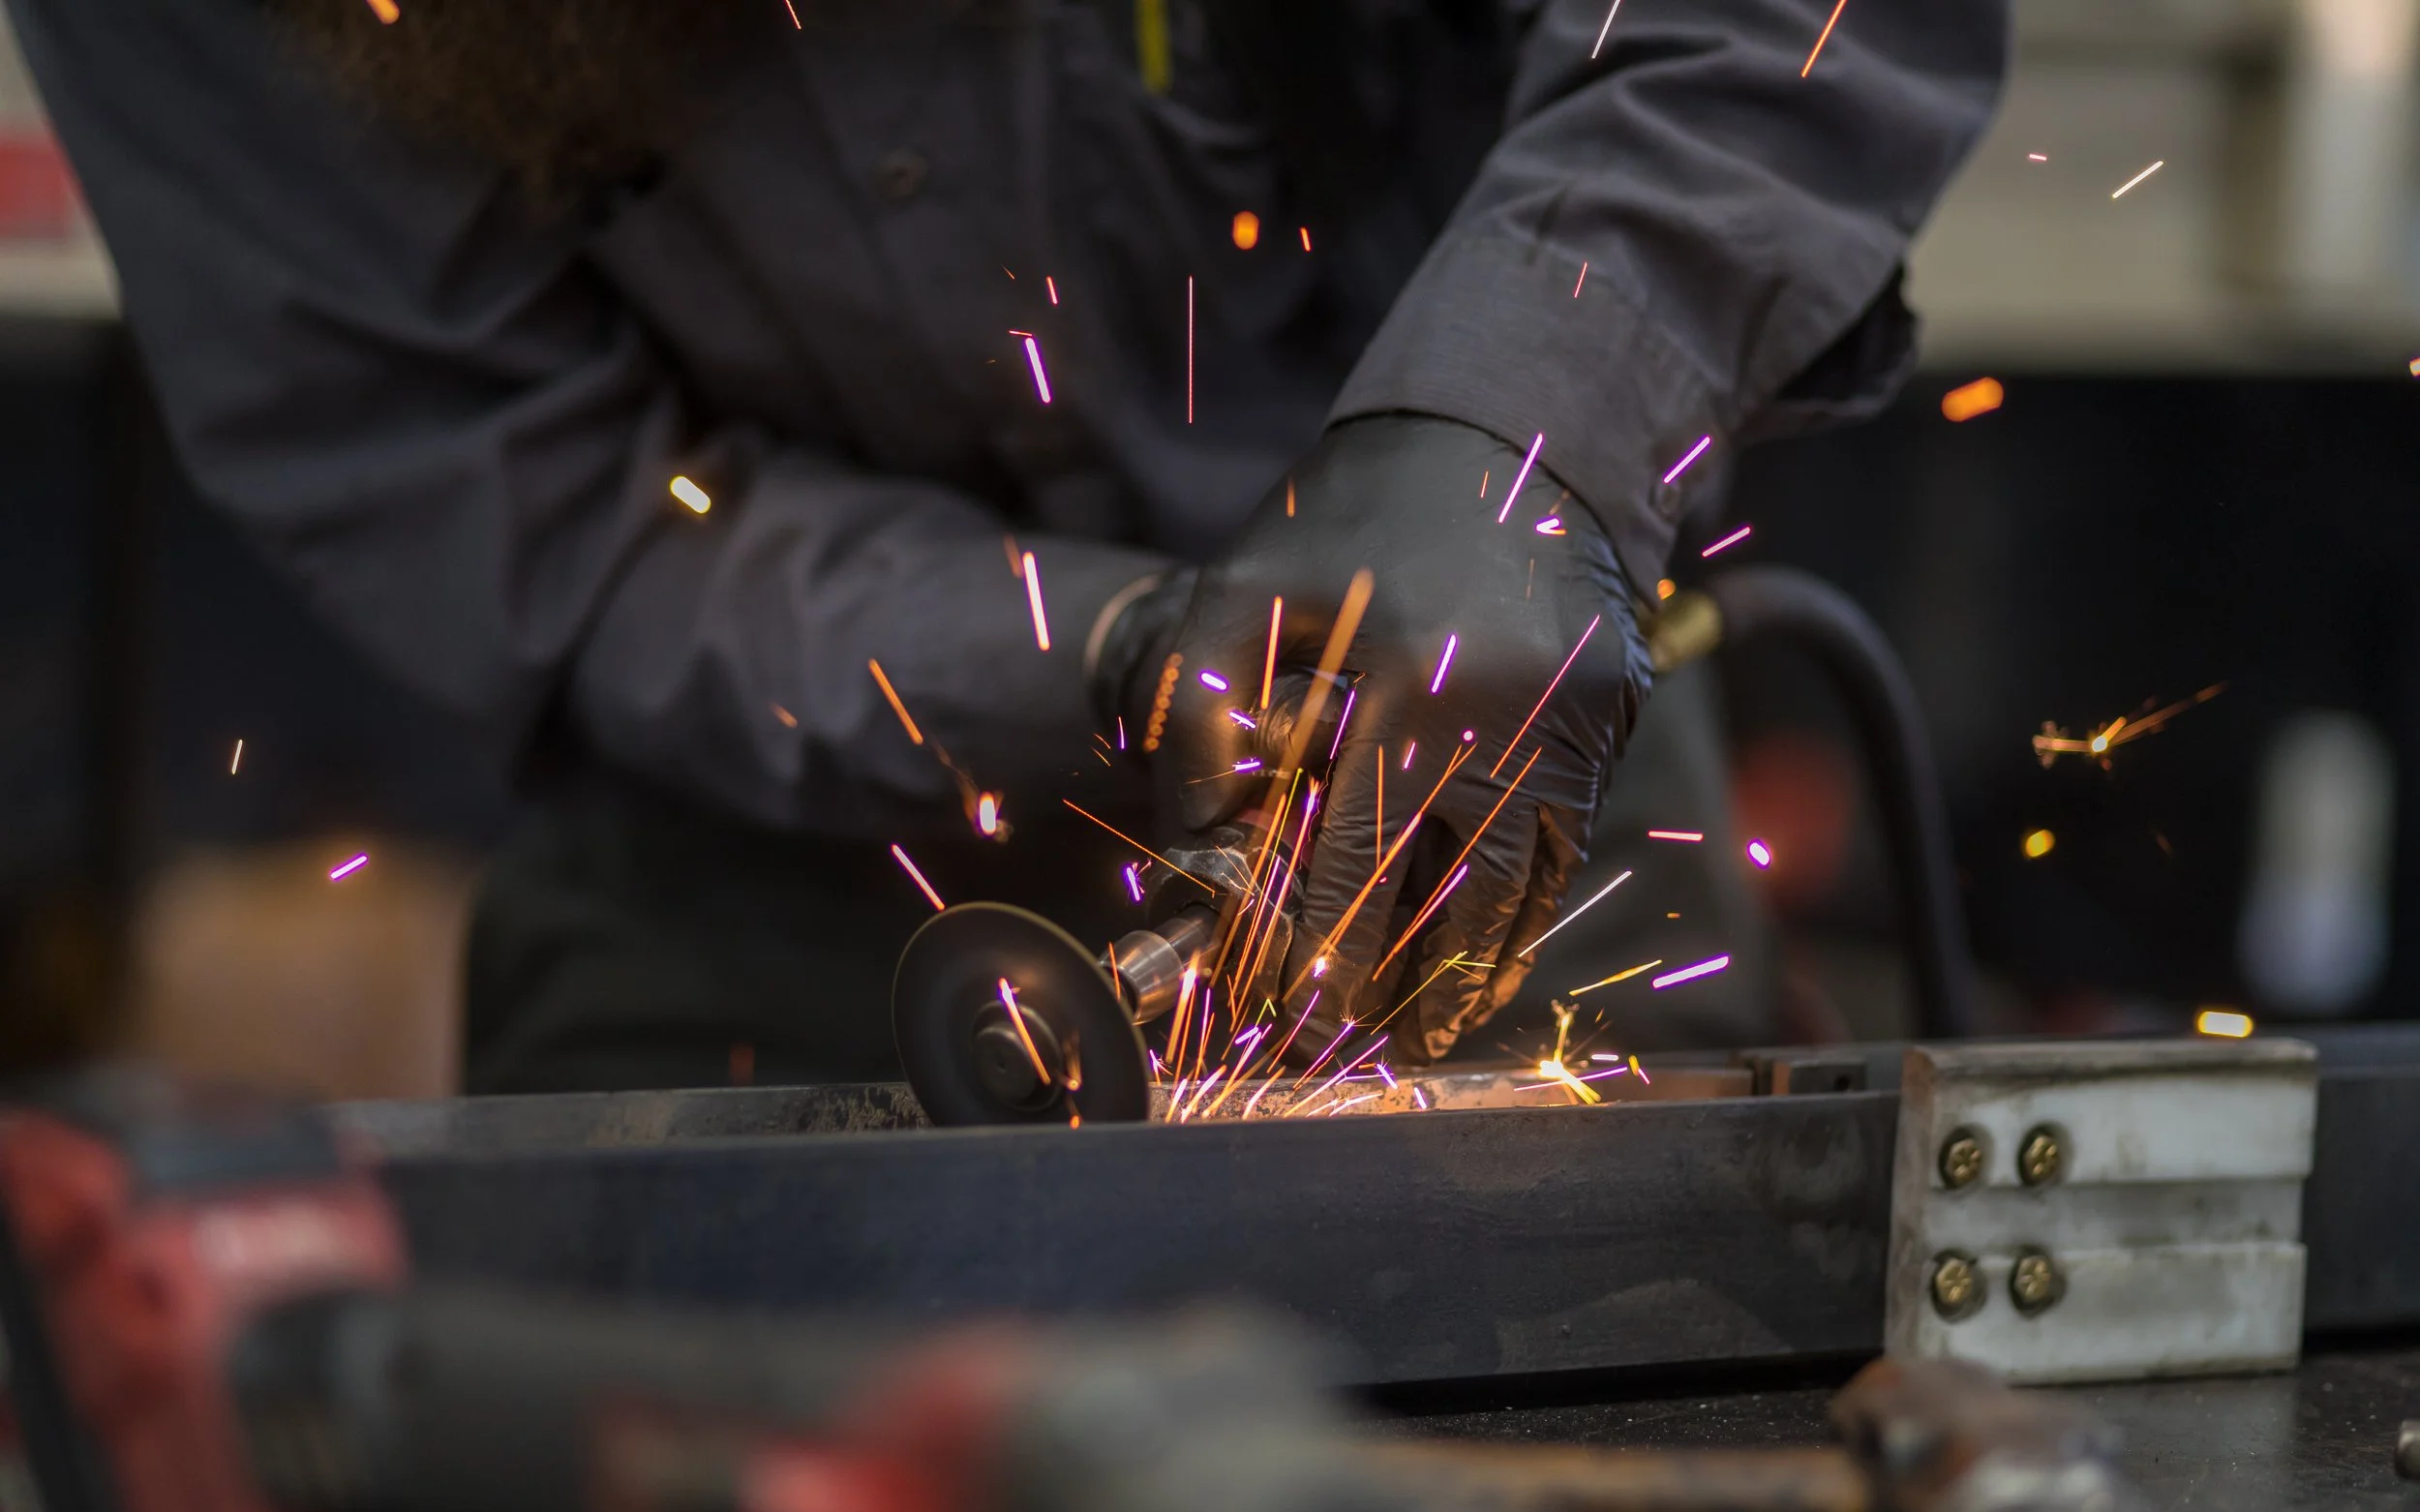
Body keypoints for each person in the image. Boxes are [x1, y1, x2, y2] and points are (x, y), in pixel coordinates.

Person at [11, 0, 2005, 1094]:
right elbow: (532, 500)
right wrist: (1125, 650)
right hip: (752, 874)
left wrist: (1509, 434)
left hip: (1502, 733)